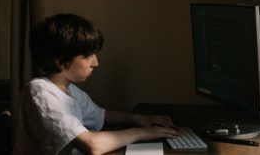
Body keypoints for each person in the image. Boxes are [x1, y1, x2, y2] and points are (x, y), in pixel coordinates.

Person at [13, 13, 179, 155]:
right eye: (87, 56)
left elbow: (102, 115)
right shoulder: (40, 93)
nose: (95, 63)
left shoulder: (67, 88)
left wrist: (140, 119)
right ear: (60, 60)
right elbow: (93, 145)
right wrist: (143, 133)